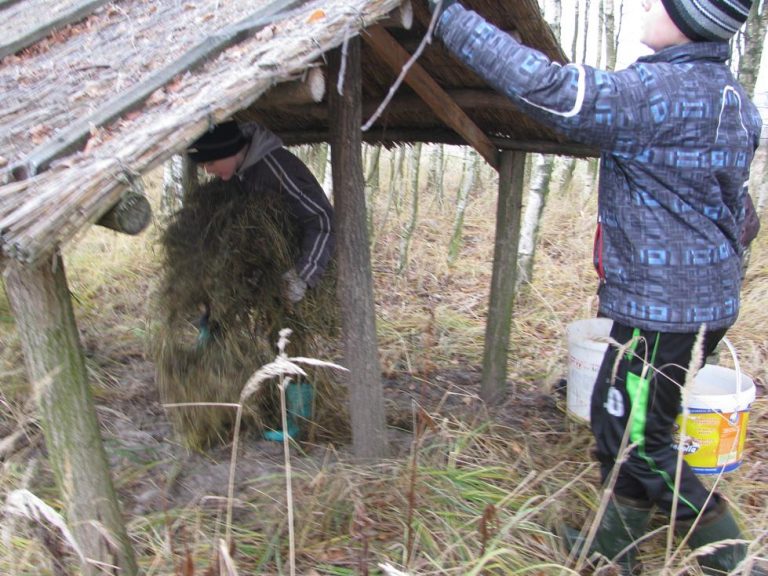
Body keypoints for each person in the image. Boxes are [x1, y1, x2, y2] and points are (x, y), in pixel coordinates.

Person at [428, 0, 763, 574]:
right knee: (624, 420)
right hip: (702, 301)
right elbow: (744, 214)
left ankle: (734, 561)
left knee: (642, 440)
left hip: (664, 307)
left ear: (693, 19)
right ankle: (615, 544)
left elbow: (552, 90)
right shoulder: (734, 101)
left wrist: (446, 17)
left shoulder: (658, 92)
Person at [186, 120, 334, 305]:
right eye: (203, 166)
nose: (208, 171)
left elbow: (323, 219)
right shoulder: (239, 174)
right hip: (273, 277)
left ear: (229, 151)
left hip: (306, 266)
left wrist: (303, 275)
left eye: (210, 162)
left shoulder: (275, 169)